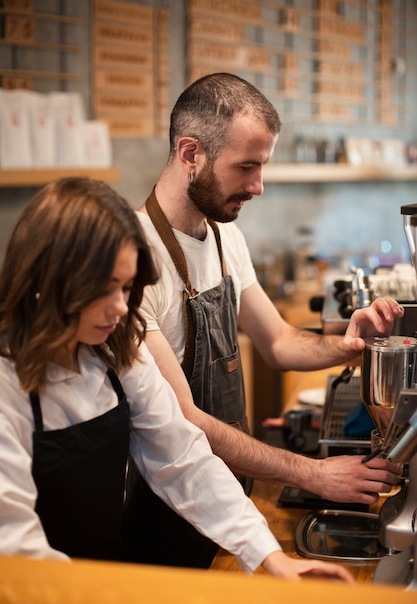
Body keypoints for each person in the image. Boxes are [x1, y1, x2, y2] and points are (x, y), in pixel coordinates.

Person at [0, 176, 355, 583]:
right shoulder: (6, 381)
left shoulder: (118, 348)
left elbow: (182, 458)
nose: (120, 308)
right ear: (50, 279)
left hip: (108, 576)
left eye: (127, 288)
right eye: (104, 289)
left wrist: (268, 556)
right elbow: (13, 540)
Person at [131, 72, 404, 568]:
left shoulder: (223, 235)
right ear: (191, 153)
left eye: (263, 166)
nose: (258, 186)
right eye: (246, 167)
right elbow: (184, 421)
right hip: (167, 516)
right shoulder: (132, 260)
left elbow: (277, 341)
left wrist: (346, 343)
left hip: (234, 498)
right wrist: (313, 473)